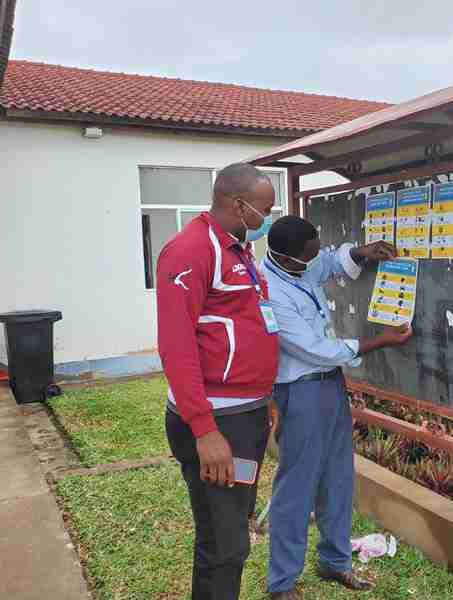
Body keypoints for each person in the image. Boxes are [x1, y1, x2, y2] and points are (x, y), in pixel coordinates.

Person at [263, 216, 413, 600]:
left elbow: (328, 263)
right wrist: (377, 342)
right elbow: (315, 350)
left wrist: (362, 253)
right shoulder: (271, 293)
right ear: (287, 258)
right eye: (308, 255)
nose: (316, 260)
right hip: (300, 390)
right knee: (297, 486)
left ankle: (334, 560)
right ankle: (282, 582)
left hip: (329, 385)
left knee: (338, 477)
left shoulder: (300, 265)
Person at [157, 162, 280, 600]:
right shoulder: (190, 251)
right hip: (218, 424)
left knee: (228, 530)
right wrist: (204, 430)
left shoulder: (238, 248)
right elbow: (176, 347)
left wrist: (265, 399)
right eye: (265, 208)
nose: (268, 217)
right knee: (225, 543)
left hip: (245, 417)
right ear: (239, 205)